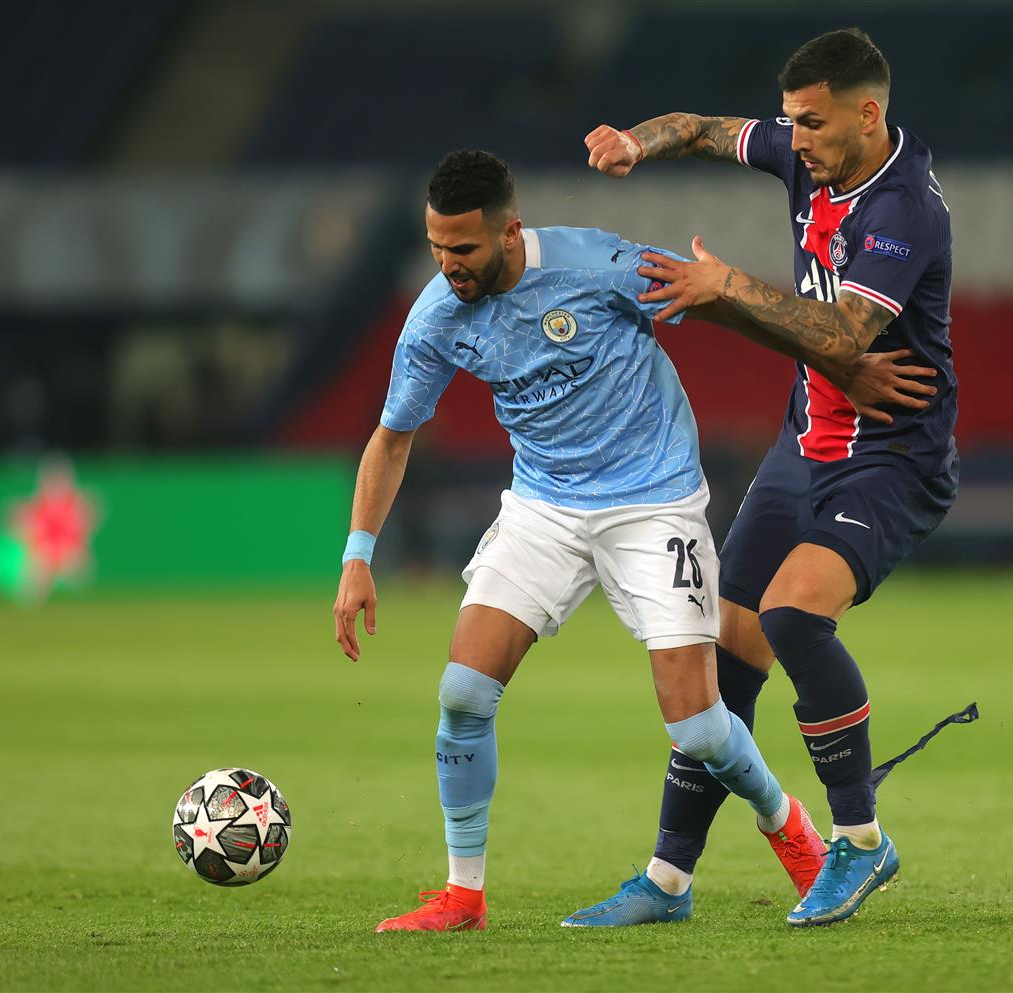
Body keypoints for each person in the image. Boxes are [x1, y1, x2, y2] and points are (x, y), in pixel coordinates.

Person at [333, 148, 855, 932]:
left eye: (464, 249)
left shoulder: (595, 262)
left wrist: (831, 362)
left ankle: (790, 827)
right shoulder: (437, 315)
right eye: (437, 248)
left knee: (698, 726)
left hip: (652, 503)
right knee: (463, 695)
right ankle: (463, 893)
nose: (449, 267)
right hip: (543, 507)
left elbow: (715, 302)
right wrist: (357, 558)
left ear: (509, 231)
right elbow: (392, 437)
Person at [578, 26, 957, 927]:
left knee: (793, 614)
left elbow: (841, 339)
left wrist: (726, 287)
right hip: (806, 446)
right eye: (792, 123)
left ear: (868, 115)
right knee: (726, 654)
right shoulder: (806, 149)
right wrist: (639, 141)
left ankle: (861, 843)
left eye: (815, 126)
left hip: (893, 453)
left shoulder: (904, 208)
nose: (799, 141)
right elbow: (705, 129)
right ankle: (667, 881)